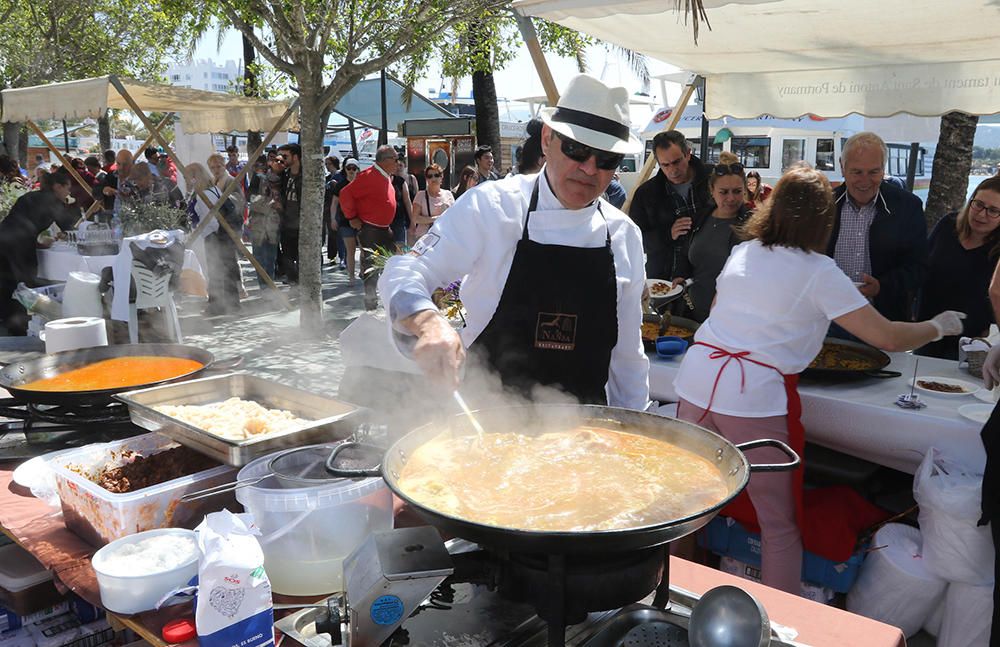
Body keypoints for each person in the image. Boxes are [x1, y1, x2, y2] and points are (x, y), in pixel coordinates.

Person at [672, 166, 964, 593]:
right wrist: (938, 327)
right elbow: (887, 336)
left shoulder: (745, 251)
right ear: (823, 221)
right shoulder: (819, 270)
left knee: (688, 503)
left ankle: (673, 593)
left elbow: (719, 309)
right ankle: (779, 626)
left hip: (697, 382)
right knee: (779, 524)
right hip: (751, 397)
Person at [378, 73, 649, 408]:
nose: (590, 169)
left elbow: (628, 357)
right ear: (548, 139)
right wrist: (429, 322)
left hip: (586, 437)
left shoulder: (624, 236)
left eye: (607, 159)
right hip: (486, 419)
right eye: (577, 150)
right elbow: (405, 271)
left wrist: (640, 431)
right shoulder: (492, 206)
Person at [828, 131, 928, 325]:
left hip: (883, 321)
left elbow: (919, 268)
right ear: (842, 166)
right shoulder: (824, 205)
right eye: (857, 172)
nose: (865, 181)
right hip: (828, 319)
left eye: (873, 172)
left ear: (883, 169)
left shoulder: (908, 207)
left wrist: (882, 286)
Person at [914, 177, 1000, 359]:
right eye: (978, 204)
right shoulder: (947, 225)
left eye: (993, 211)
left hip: (971, 346)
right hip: (927, 333)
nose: (981, 214)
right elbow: (920, 266)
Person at [671, 157, 750, 322]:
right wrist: (680, 275)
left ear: (745, 191)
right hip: (691, 312)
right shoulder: (699, 218)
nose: (731, 198)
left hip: (732, 319)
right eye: (723, 192)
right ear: (712, 191)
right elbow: (685, 253)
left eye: (737, 191)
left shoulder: (753, 226)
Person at [0, 169, 78, 334]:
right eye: (67, 188)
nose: (68, 193)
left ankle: (9, 321)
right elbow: (70, 228)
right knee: (23, 285)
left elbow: (19, 222)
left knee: (6, 284)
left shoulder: (29, 196)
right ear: (57, 186)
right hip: (18, 247)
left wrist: (35, 243)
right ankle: (19, 326)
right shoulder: (52, 202)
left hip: (4, 239)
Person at [629, 130, 712, 280]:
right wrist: (668, 234)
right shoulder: (646, 194)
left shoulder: (713, 179)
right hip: (665, 280)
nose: (673, 170)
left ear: (688, 154)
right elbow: (635, 241)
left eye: (676, 162)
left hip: (708, 273)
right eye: (665, 165)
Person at [339, 145, 398, 310]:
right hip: (371, 230)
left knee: (389, 266)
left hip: (384, 229)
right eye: (395, 159)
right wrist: (352, 217)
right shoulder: (368, 176)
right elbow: (345, 194)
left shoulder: (385, 176)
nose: (398, 163)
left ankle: (386, 302)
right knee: (371, 268)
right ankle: (371, 305)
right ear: (385, 160)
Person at [185, 162, 241, 315]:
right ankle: (231, 305)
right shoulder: (213, 189)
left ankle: (219, 306)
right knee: (225, 269)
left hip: (215, 235)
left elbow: (211, 219)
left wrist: (212, 234)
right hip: (221, 234)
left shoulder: (205, 194)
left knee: (217, 270)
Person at [247, 156, 281, 290]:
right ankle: (264, 287)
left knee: (270, 258)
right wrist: (267, 204)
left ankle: (270, 286)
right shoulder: (257, 179)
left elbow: (279, 202)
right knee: (259, 257)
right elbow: (250, 198)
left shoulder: (279, 179)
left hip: (273, 224)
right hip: (258, 224)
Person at [274, 143, 302, 283]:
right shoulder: (284, 175)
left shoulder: (306, 176)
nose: (281, 159)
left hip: (302, 225)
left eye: (285, 156)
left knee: (303, 257)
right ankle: (293, 283)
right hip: (287, 223)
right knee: (288, 257)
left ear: (295, 157)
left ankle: (303, 284)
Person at [330, 158, 361, 283]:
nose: (351, 171)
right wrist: (333, 218)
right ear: (345, 169)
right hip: (344, 221)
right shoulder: (340, 185)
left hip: (361, 221)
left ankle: (364, 273)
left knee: (364, 250)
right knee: (350, 250)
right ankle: (351, 277)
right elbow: (334, 204)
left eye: (354, 168)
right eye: (349, 168)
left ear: (358, 170)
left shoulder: (362, 184)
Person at [408, 164, 455, 246]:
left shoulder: (448, 194)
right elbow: (415, 218)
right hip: (425, 238)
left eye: (436, 175)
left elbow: (454, 216)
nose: (433, 178)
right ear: (426, 179)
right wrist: (435, 219)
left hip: (445, 236)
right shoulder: (421, 195)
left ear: (441, 177)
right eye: (430, 176)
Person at [391, 155, 416, 249]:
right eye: (396, 165)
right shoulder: (386, 180)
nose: (398, 168)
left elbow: (408, 201)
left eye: (400, 165)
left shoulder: (406, 180)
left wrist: (413, 219)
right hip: (388, 219)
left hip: (401, 217)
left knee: (401, 245)